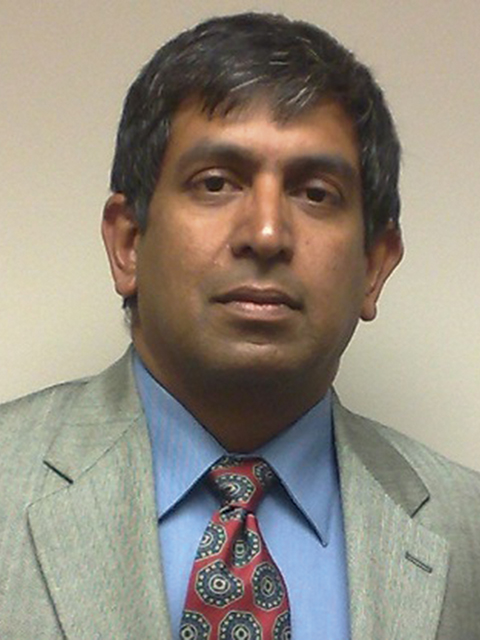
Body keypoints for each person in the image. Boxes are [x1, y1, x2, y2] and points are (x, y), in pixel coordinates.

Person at [1, 12, 479, 640]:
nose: (267, 233)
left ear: (373, 266)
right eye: (216, 182)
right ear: (128, 244)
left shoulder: (465, 528)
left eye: (315, 193)